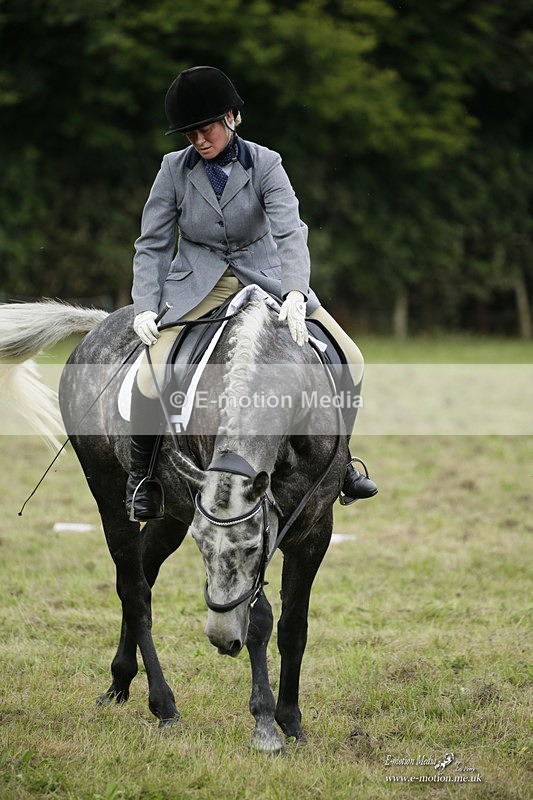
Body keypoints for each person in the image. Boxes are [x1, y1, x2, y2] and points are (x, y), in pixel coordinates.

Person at [128, 65, 377, 520]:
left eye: (205, 129)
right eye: (189, 134)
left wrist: (298, 293)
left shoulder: (266, 164)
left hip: (267, 275)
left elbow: (290, 233)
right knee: (152, 372)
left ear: (231, 117)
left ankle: (341, 464)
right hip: (198, 283)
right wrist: (145, 304)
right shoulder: (172, 170)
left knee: (352, 356)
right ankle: (141, 476)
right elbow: (153, 243)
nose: (198, 141)